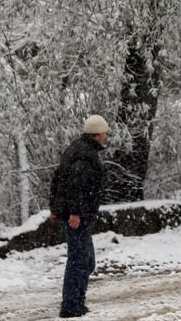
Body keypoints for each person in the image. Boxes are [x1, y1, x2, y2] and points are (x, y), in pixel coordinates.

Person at [49, 114, 108, 318]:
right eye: (104, 133)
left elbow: (58, 179)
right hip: (77, 216)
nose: (105, 136)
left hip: (75, 213)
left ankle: (76, 301)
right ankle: (71, 305)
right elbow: (76, 184)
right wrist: (75, 212)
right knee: (79, 260)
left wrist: (55, 208)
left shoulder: (75, 149)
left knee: (86, 260)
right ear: (98, 134)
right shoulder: (85, 154)